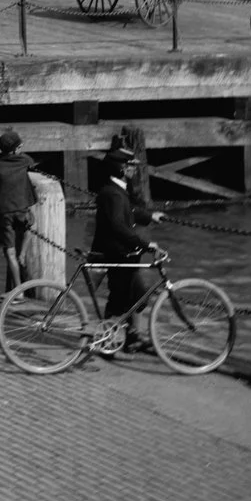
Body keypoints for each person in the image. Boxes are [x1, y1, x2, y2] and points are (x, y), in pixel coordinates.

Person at [91, 142, 162, 353]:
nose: (134, 169)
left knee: (135, 294)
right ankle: (108, 340)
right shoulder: (113, 194)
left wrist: (150, 216)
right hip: (116, 253)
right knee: (120, 298)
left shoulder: (115, 190)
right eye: (131, 165)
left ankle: (131, 337)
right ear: (122, 169)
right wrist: (145, 244)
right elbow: (118, 226)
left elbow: (128, 212)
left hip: (123, 253)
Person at [0, 130, 39, 297]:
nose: (22, 147)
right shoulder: (25, 160)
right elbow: (30, 162)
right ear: (15, 150)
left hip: (4, 213)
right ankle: (24, 254)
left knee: (9, 252)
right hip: (22, 211)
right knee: (31, 225)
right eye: (19, 146)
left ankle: (18, 291)